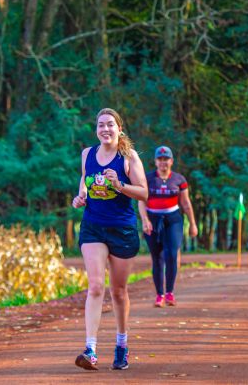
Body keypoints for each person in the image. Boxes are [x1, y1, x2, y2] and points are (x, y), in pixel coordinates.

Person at [72, 108, 148, 371]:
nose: (105, 129)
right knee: (95, 286)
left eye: (110, 125)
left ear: (119, 129)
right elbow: (85, 179)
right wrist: (80, 195)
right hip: (93, 226)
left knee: (118, 291)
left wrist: (120, 186)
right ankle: (90, 349)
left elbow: (144, 193)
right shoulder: (87, 154)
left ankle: (122, 344)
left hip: (122, 230)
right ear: (96, 129)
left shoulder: (129, 157)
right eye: (101, 125)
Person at [138, 145, 199, 307]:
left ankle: (170, 292)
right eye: (160, 159)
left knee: (171, 254)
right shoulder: (148, 179)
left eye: (166, 159)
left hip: (173, 219)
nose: (163, 162)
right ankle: (160, 295)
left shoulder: (179, 179)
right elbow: (141, 201)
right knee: (157, 258)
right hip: (152, 219)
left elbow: (186, 203)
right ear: (155, 161)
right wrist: (145, 220)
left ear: (171, 161)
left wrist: (193, 224)